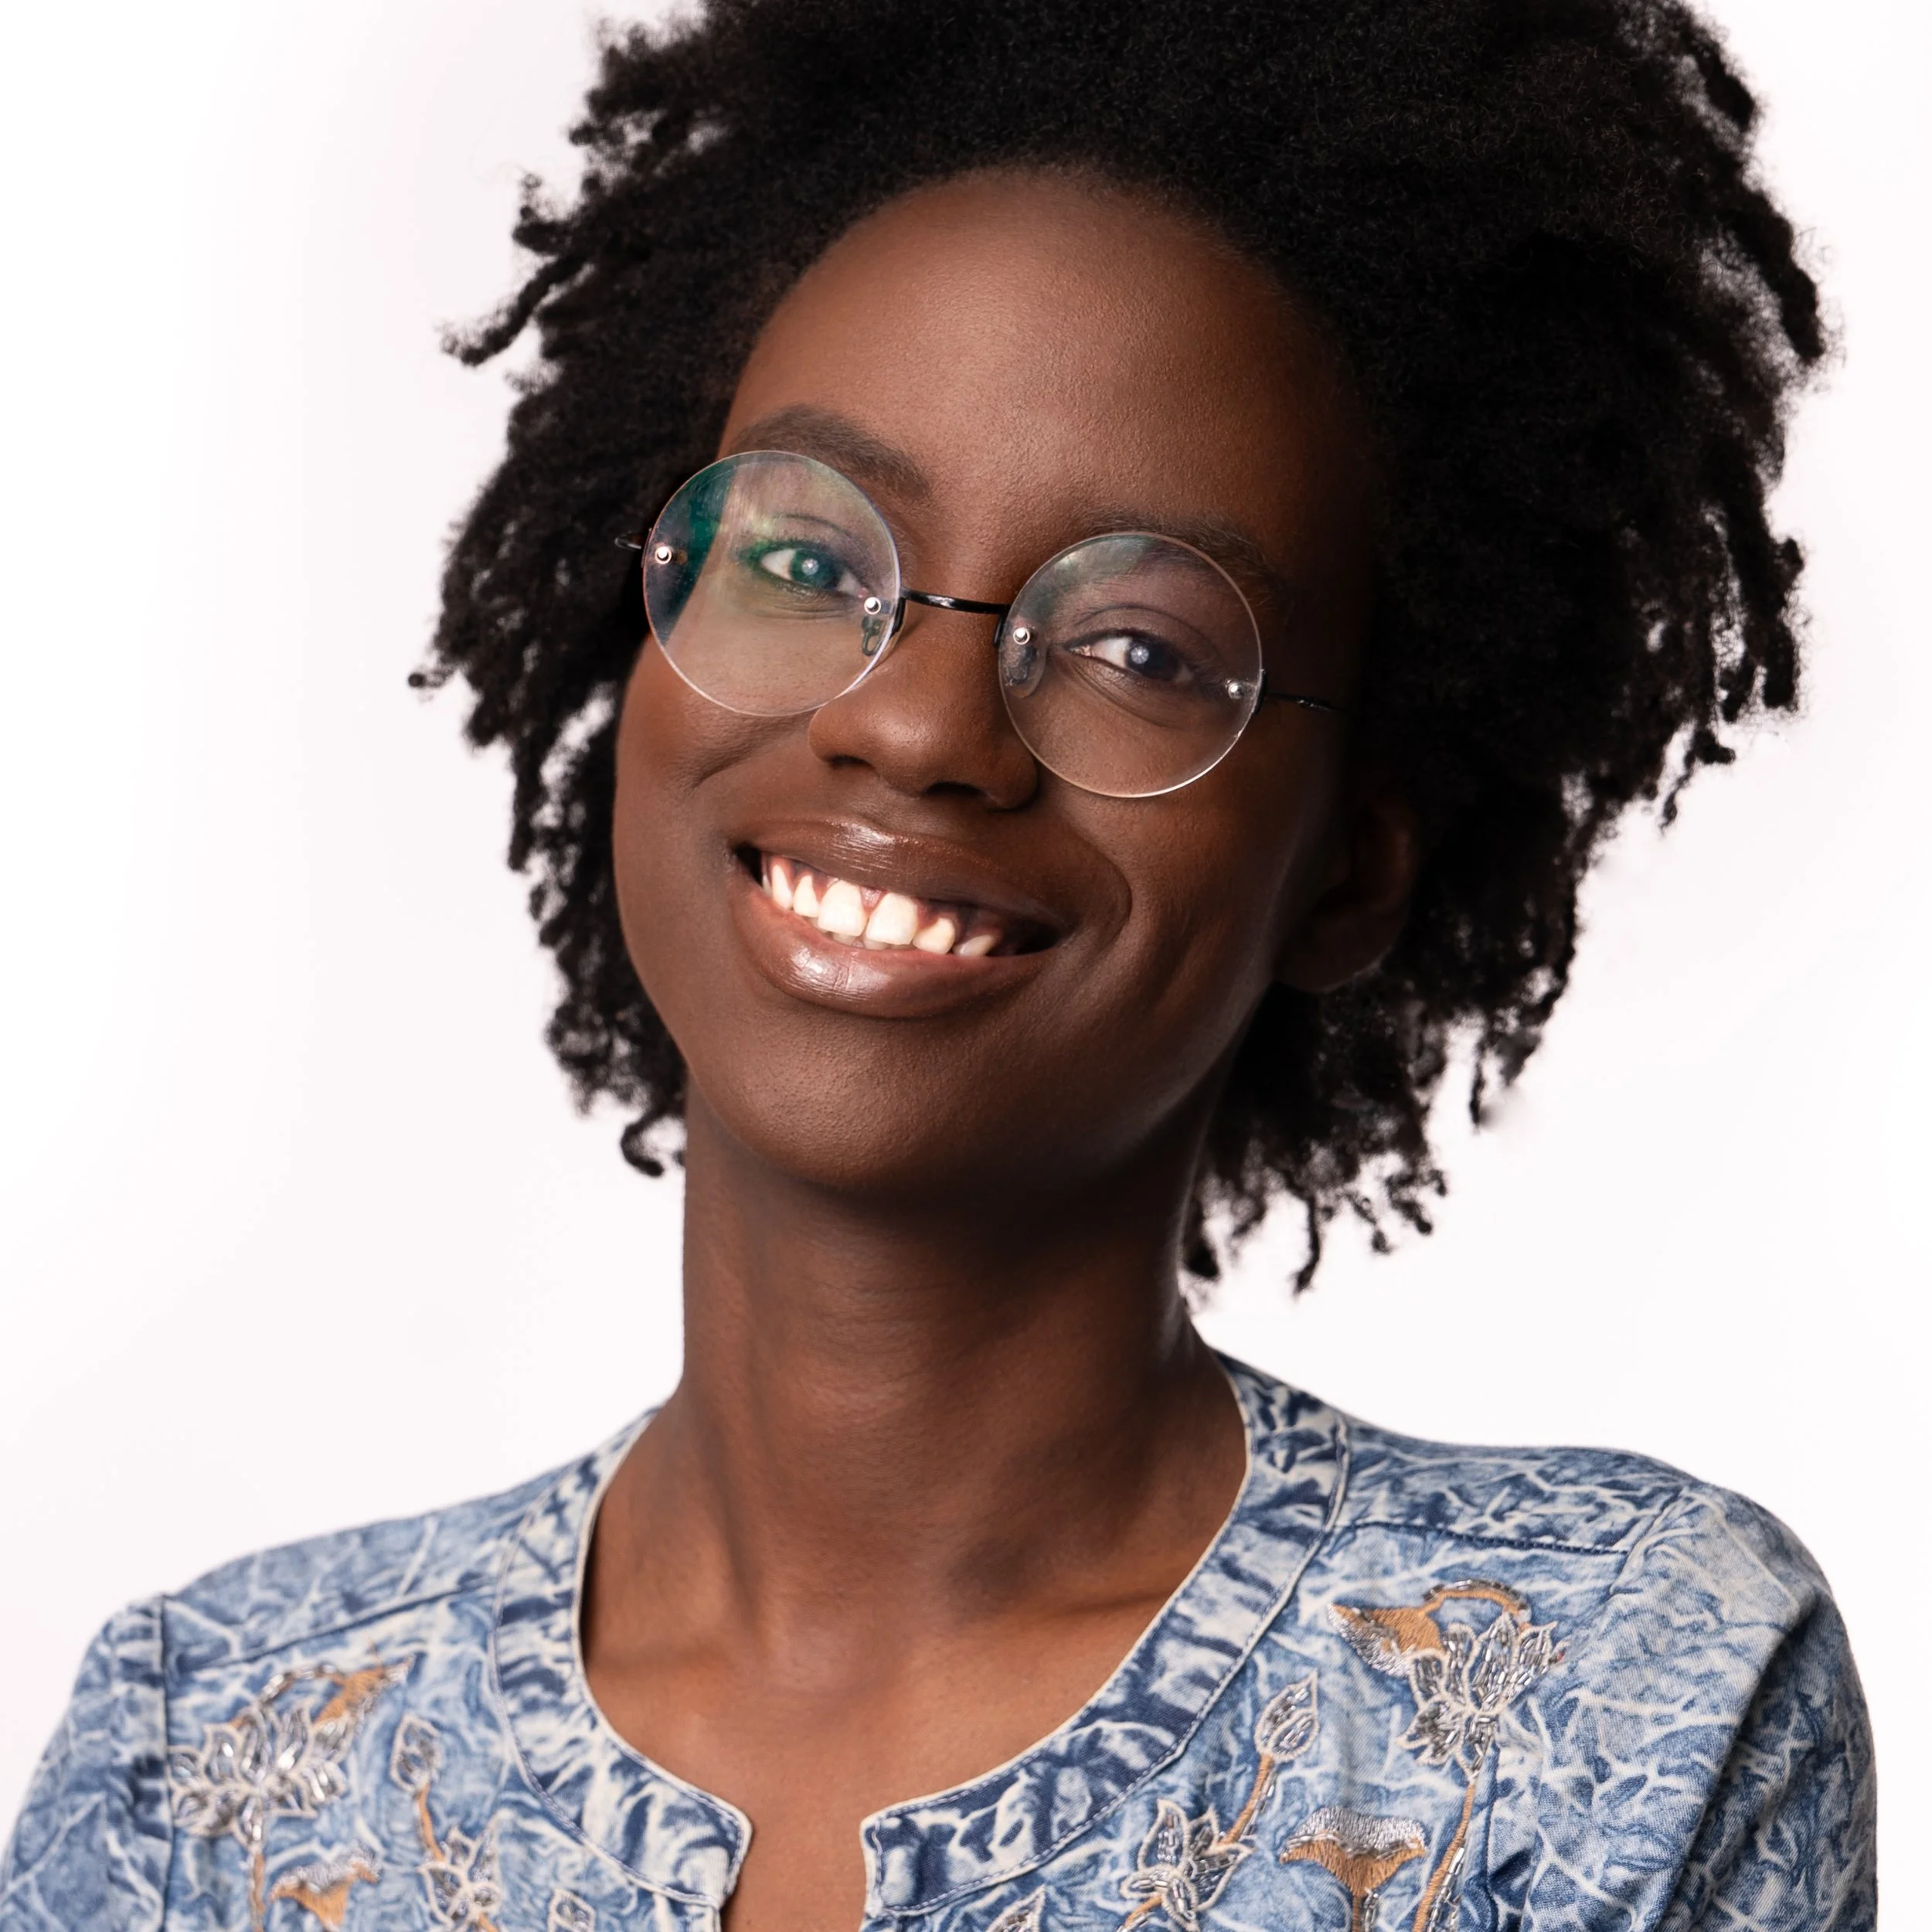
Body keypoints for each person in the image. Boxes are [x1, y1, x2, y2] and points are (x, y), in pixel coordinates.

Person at [1, 0, 1876, 1927]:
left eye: (1140, 646)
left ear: (1348, 864)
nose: (912, 729)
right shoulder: (203, 1767)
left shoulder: (1595, 1715)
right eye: (810, 565)